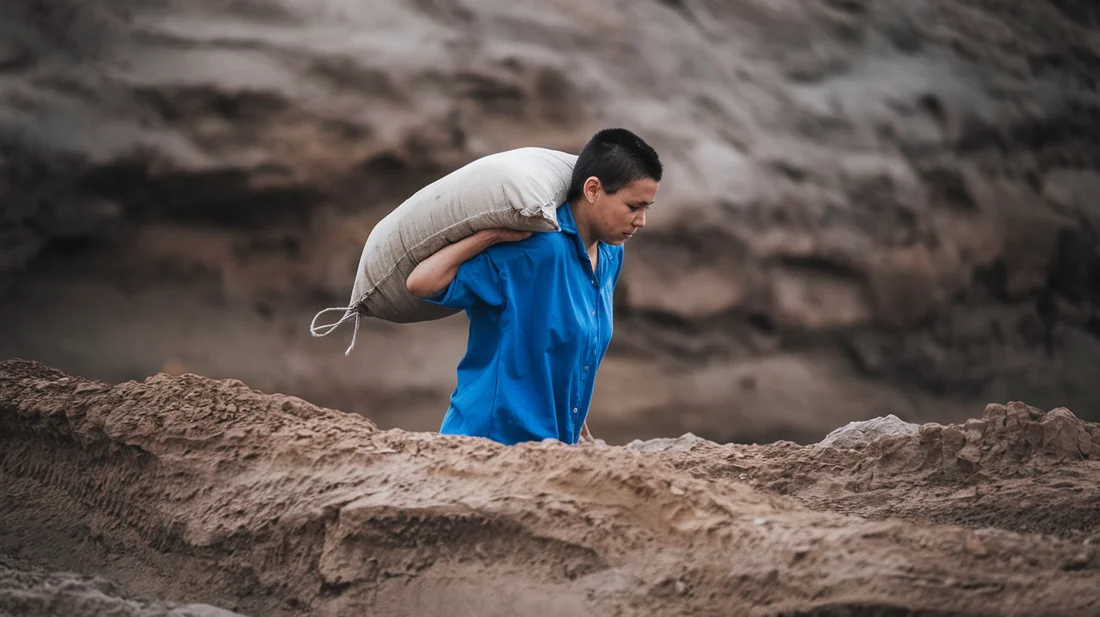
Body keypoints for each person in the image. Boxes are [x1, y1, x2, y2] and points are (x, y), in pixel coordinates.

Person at [405, 128, 662, 446]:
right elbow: (421, 283)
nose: (641, 221)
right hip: (487, 444)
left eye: (646, 208)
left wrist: (576, 423)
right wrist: (491, 237)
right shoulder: (535, 249)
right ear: (593, 190)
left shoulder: (611, 254)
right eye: (633, 207)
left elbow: (572, 352)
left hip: (551, 449)